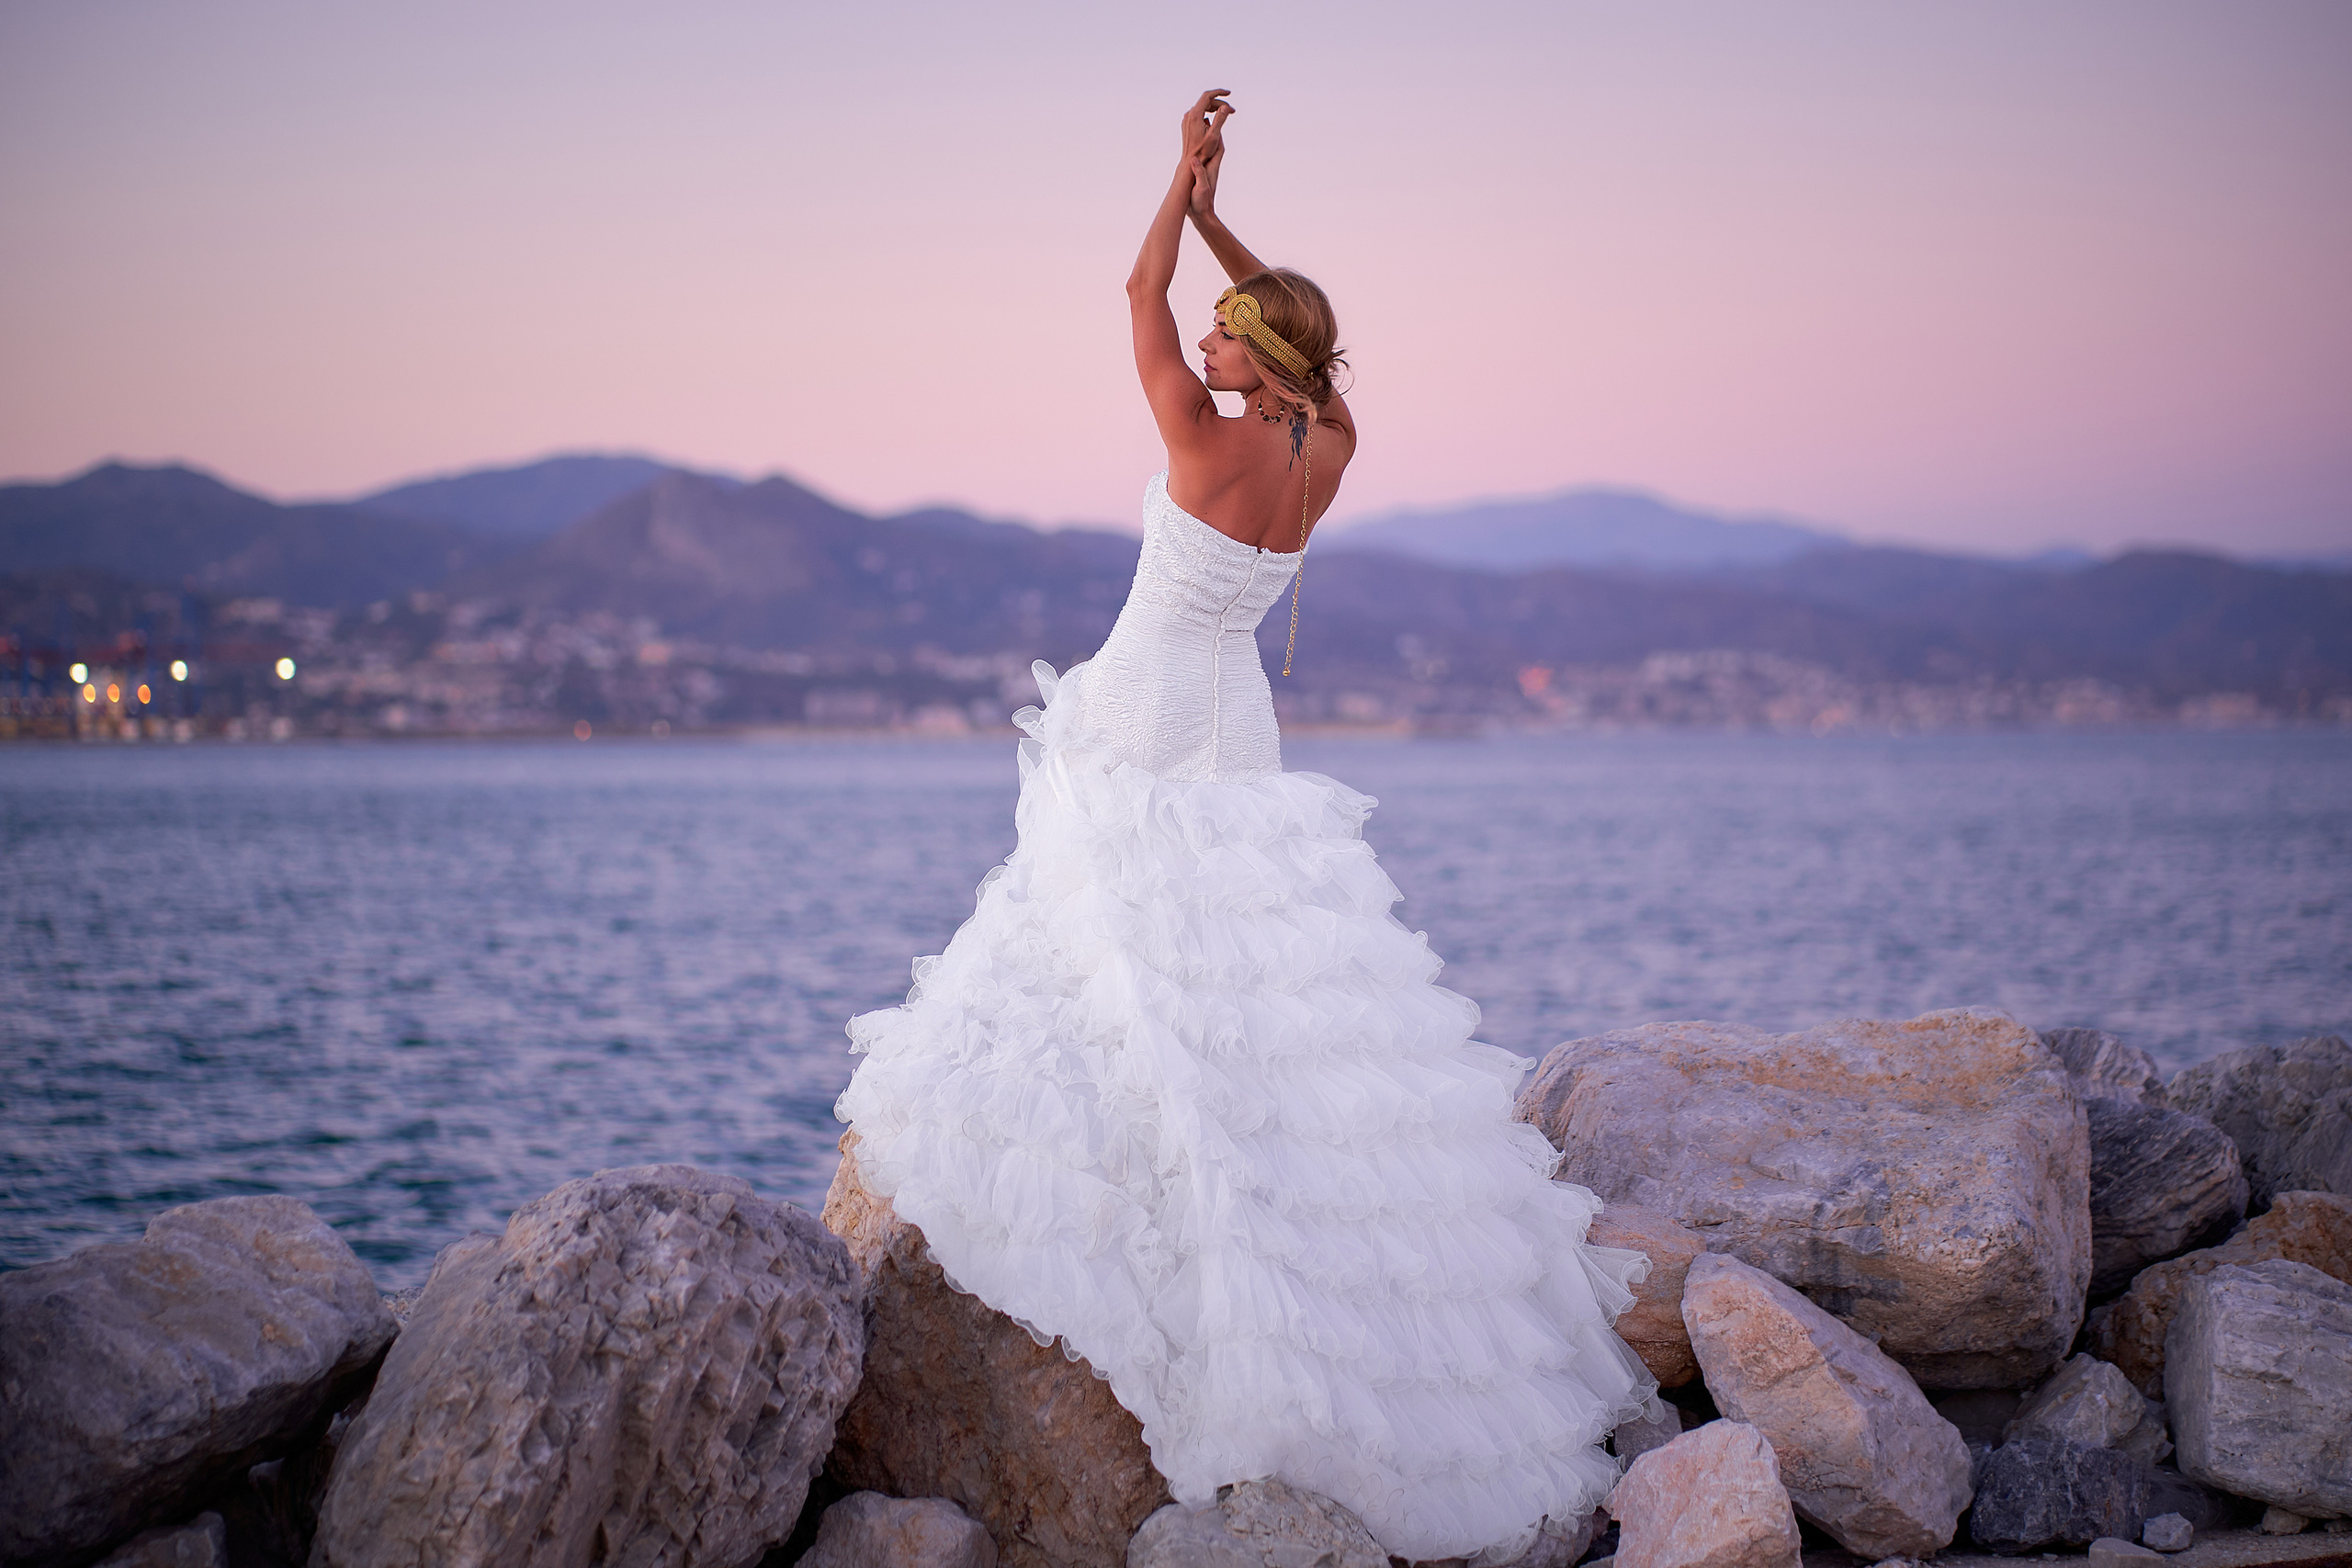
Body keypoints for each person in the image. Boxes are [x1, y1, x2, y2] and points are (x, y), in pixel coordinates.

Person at [835, 90, 1657, 1563]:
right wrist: (1225, 216)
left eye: (1231, 335)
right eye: (1217, 332)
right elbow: (1299, 348)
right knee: (1254, 977)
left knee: (1116, 943)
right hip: (1236, 723)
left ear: (1253, 359)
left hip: (1150, 710)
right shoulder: (1320, 452)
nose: (1204, 344)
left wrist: (1177, 186)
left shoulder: (1202, 437)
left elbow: (1134, 290)